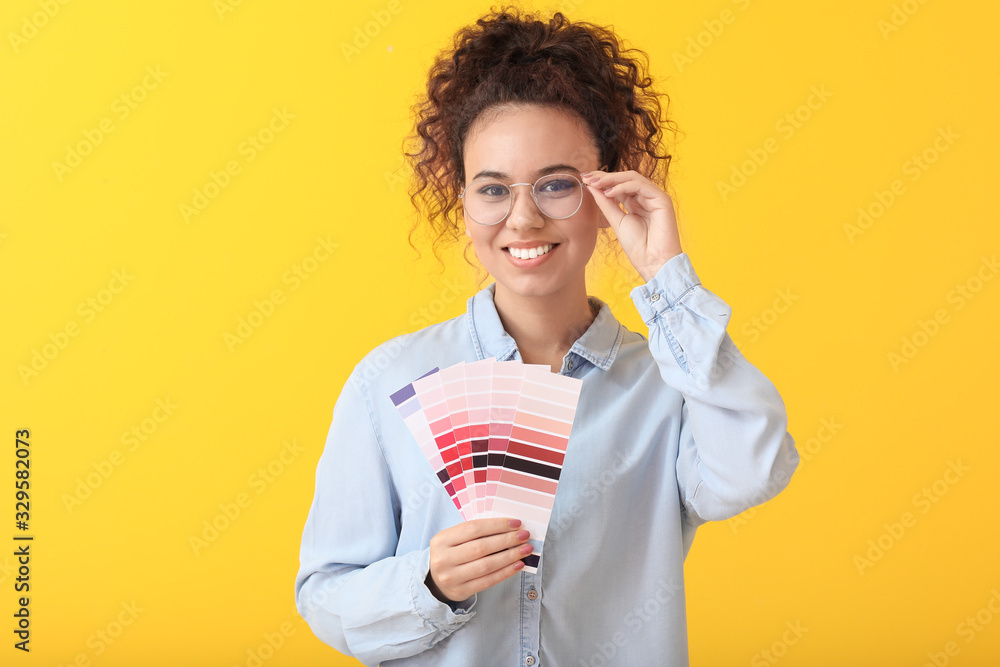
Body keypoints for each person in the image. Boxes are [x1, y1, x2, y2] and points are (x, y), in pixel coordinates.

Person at [295, 7, 798, 666]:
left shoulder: (666, 383)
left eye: (557, 184)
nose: (524, 218)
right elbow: (325, 593)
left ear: (609, 190)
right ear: (463, 199)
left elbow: (754, 469)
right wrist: (429, 585)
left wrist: (668, 281)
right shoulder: (389, 380)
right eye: (493, 189)